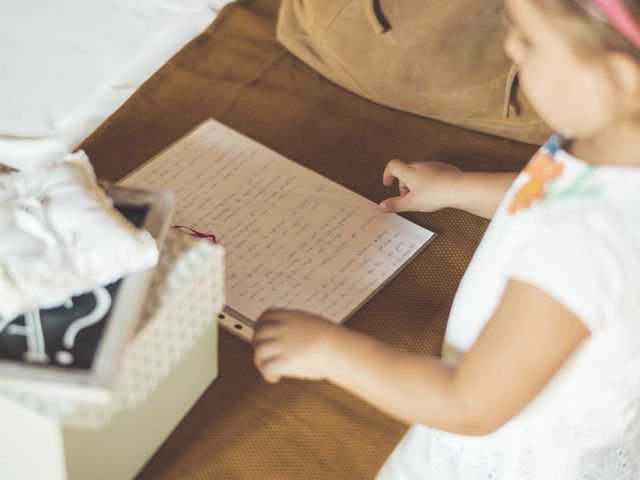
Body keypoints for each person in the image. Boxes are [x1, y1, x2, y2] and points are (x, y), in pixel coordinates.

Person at [252, 0, 640, 477]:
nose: (509, 47)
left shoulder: (580, 248)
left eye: (530, 39)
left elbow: (468, 405)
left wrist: (331, 352)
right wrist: (457, 187)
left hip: (514, 452)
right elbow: (548, 190)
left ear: (621, 78)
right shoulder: (611, 142)